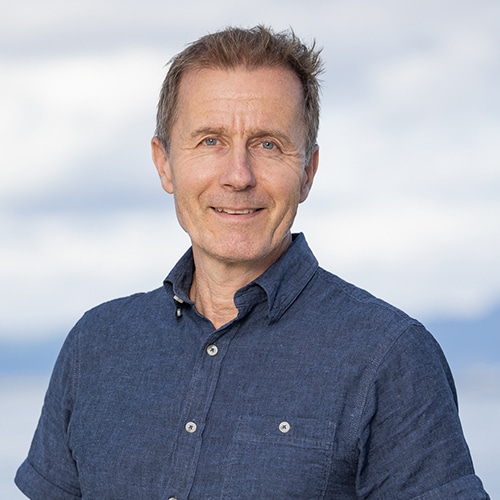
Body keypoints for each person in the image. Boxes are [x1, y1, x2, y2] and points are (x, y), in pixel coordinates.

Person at [15, 25, 489, 499]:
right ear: (164, 164)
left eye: (268, 144)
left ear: (307, 172)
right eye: (210, 141)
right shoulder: (95, 346)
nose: (238, 176)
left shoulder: (390, 357)